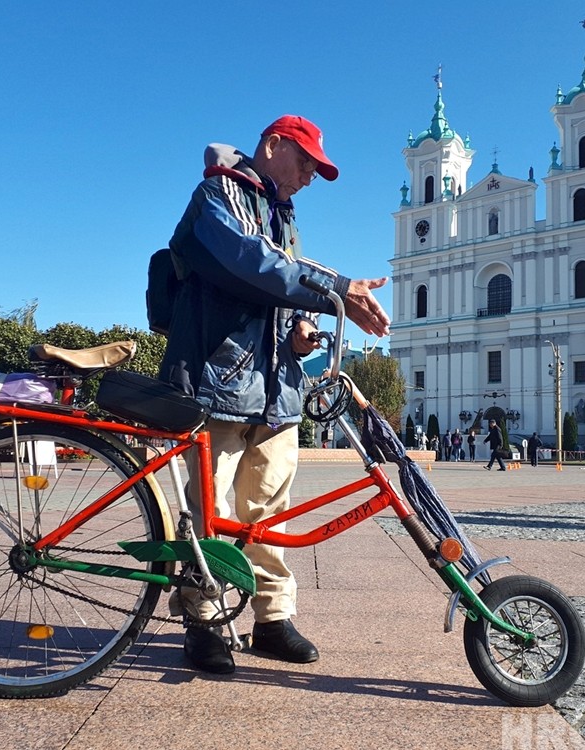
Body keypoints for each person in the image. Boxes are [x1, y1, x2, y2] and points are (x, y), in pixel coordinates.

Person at [159, 115, 390, 675]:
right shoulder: (221, 191)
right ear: (273, 145)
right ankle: (205, 621)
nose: (311, 175)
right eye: (306, 161)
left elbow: (277, 288)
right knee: (209, 512)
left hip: (275, 390)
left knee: (269, 511)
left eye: (317, 167)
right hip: (217, 382)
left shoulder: (283, 215)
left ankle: (271, 619)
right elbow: (250, 263)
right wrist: (335, 288)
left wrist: (299, 331)